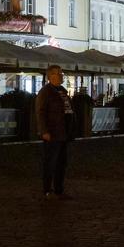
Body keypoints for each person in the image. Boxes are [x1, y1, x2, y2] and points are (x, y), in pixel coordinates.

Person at [36, 65, 75, 200]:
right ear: (50, 76)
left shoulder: (62, 90)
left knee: (61, 163)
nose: (61, 75)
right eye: (57, 73)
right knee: (50, 162)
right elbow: (40, 112)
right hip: (52, 132)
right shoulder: (46, 92)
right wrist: (44, 130)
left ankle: (59, 189)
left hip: (64, 132)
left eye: (61, 73)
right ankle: (47, 190)